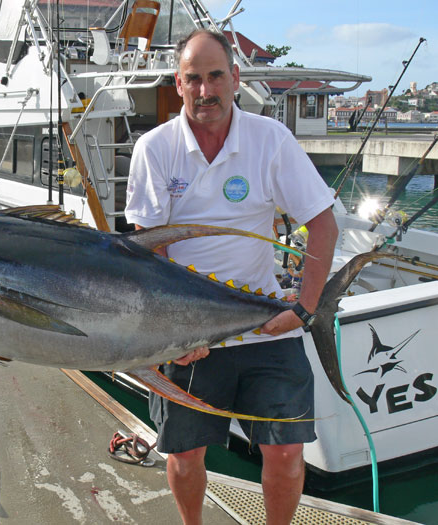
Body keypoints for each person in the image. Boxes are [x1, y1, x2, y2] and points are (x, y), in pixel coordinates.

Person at [124, 29, 338, 525]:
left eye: (216, 75)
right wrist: (175, 333)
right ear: (177, 84)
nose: (206, 90)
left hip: (265, 326)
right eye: (193, 79)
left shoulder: (270, 139)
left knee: (285, 454)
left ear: (235, 78)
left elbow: (323, 224)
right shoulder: (155, 149)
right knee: (184, 454)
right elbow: (149, 253)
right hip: (187, 335)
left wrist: (305, 307)